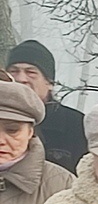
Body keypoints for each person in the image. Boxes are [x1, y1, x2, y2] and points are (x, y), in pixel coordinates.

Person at [6, 40, 87, 173]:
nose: (21, 78)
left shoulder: (76, 125)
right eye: (13, 71)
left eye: (31, 72)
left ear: (49, 82)